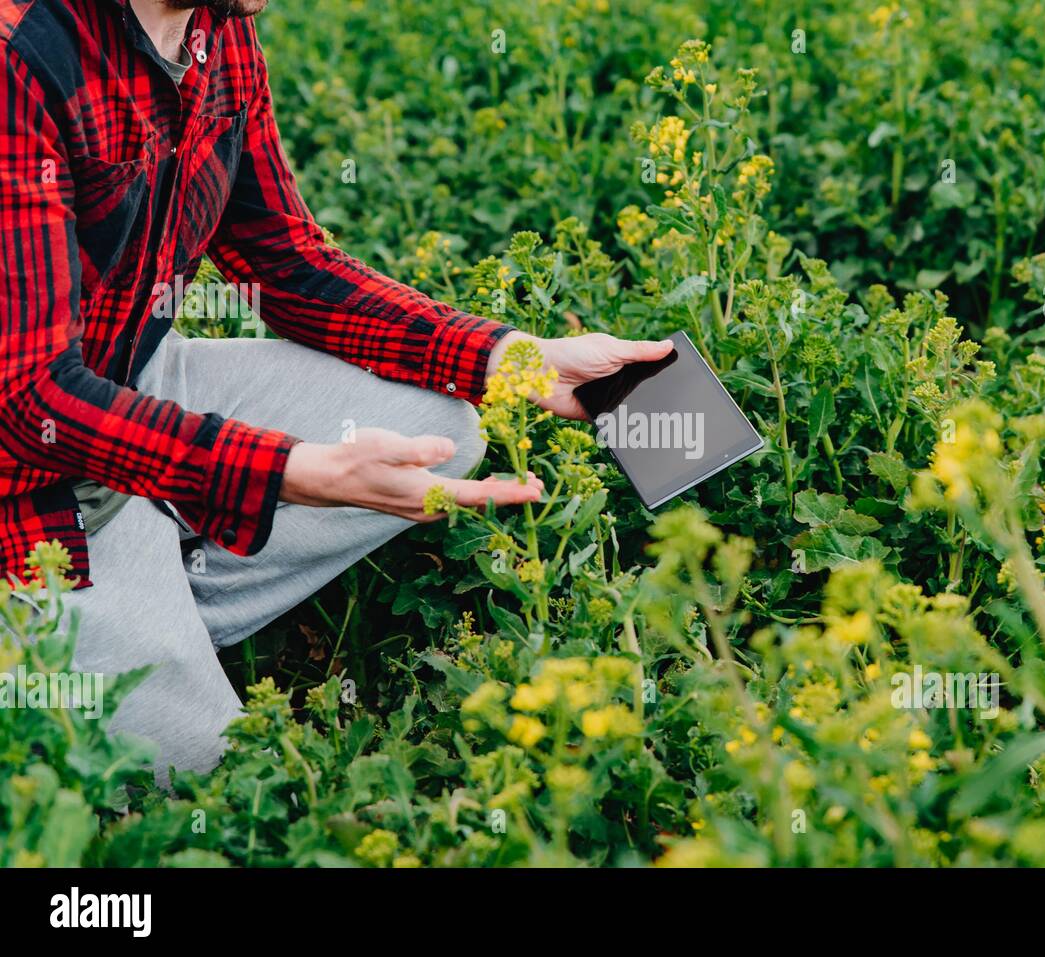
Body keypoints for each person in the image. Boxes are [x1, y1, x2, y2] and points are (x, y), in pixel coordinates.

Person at [0, 0, 671, 778]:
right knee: (213, 768)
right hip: (24, 488)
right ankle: (88, 634)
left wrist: (511, 359)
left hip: (128, 376)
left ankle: (156, 605)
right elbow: (29, 395)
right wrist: (295, 474)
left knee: (440, 429)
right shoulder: (21, 56)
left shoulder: (215, 22)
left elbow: (284, 260)